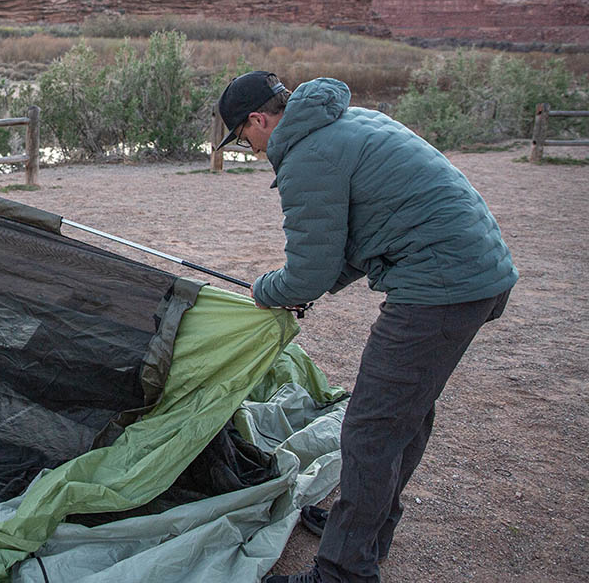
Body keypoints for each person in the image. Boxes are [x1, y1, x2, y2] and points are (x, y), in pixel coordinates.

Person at [214, 71, 517, 583]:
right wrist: (313, 282)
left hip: (440, 286)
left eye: (244, 139)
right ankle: (365, 535)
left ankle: (343, 571)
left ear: (259, 120)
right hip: (478, 274)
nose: (252, 149)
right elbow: (362, 239)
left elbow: (308, 272)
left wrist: (265, 290)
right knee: (404, 417)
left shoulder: (308, 156)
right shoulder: (349, 121)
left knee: (371, 430)